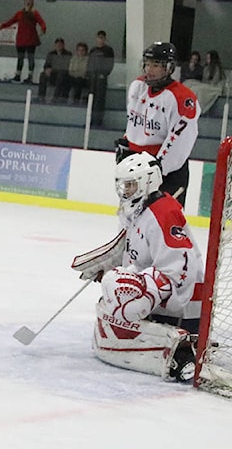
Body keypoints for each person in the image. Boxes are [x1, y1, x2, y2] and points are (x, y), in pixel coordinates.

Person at [74, 152, 203, 382]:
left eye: (131, 185)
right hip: (165, 301)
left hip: (185, 308)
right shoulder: (137, 212)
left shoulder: (164, 213)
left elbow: (182, 266)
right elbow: (137, 258)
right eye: (123, 186)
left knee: (122, 293)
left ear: (147, 182)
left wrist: (148, 294)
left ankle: (182, 349)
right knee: (114, 284)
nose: (125, 192)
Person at [116, 42, 199, 206]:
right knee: (130, 219)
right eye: (147, 64)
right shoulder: (137, 87)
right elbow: (133, 121)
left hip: (168, 172)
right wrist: (127, 143)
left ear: (169, 68)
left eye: (155, 65)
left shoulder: (181, 98)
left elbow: (180, 141)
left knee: (163, 221)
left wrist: (157, 167)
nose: (149, 69)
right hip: (138, 168)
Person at [0, 0, 46, 83]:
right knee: (20, 57)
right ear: (24, 1)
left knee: (30, 57)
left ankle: (29, 76)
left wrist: (41, 31)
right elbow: (11, 21)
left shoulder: (34, 13)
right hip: (21, 39)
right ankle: (18, 75)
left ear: (32, 3)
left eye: (30, 1)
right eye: (27, 0)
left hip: (31, 39)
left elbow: (42, 24)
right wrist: (3, 25)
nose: (28, 2)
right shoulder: (19, 13)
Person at [87, 30, 115, 126]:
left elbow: (110, 64)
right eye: (98, 38)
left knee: (100, 99)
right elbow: (89, 63)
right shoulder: (93, 50)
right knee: (92, 99)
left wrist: (104, 74)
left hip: (101, 79)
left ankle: (98, 121)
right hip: (93, 79)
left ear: (104, 39)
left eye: (102, 38)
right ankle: (90, 120)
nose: (100, 40)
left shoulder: (108, 50)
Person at [184, 50, 225, 115]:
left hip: (213, 86)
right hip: (205, 84)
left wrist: (204, 83)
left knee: (197, 89)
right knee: (188, 82)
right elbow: (203, 80)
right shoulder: (206, 67)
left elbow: (214, 82)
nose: (207, 60)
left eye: (208, 58)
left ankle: (195, 108)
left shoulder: (216, 69)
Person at [36, 37, 72, 103]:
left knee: (61, 75)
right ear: (55, 45)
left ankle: (56, 97)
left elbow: (67, 66)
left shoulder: (68, 54)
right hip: (52, 74)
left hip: (63, 74)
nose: (59, 46)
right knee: (43, 75)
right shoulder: (51, 54)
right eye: (57, 44)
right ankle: (41, 96)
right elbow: (47, 64)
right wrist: (47, 69)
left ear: (63, 45)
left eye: (60, 44)